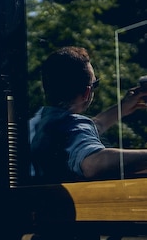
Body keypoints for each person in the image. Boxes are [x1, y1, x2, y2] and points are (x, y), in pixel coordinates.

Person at [29, 46, 147, 183]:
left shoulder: (37, 122)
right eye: (95, 84)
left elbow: (92, 127)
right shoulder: (72, 126)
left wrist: (123, 106)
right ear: (87, 93)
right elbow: (93, 164)